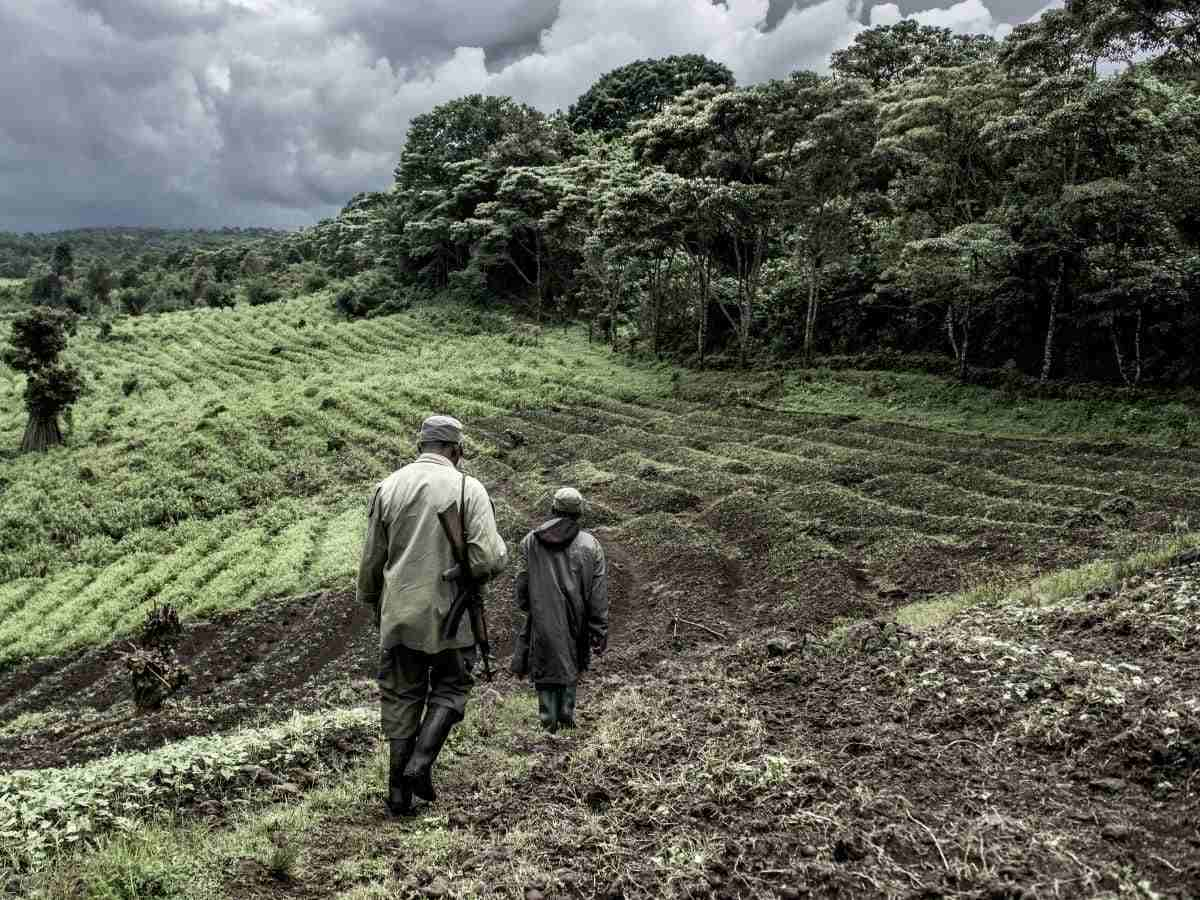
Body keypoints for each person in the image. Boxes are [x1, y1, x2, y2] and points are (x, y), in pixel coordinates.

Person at [356, 414, 508, 817]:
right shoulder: (467, 487)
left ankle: (397, 796)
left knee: (402, 696)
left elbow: (371, 561)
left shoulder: (387, 487)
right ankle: (421, 764)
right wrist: (499, 558)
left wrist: (375, 605)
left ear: (421, 445)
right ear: (456, 450)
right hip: (451, 617)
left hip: (400, 614)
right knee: (452, 685)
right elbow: (484, 559)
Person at [511, 487, 609, 733]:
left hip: (542, 616)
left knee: (544, 662)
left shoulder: (531, 541)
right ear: (579, 513)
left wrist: (529, 605)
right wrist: (599, 627)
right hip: (576, 617)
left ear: (553, 509)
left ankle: (547, 719)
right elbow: (598, 593)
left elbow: (522, 581)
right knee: (570, 661)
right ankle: (566, 715)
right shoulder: (590, 545)